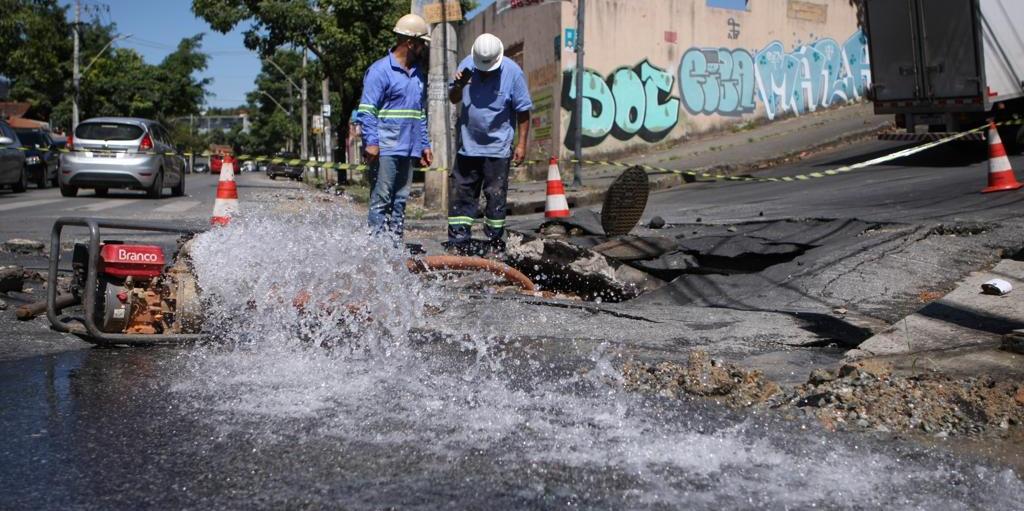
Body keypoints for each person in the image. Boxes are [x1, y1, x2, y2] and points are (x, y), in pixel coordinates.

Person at [447, 33, 532, 255]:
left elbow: (523, 111)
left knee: (495, 196)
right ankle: (458, 241)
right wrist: (458, 85)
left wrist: (522, 144)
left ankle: (494, 242)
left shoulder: (513, 73)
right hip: (468, 146)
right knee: (462, 194)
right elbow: (453, 98)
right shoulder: (466, 66)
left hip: (498, 148)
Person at [357, 13, 433, 240]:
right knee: (382, 199)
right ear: (410, 42)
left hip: (407, 148)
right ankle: (376, 248)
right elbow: (367, 110)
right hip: (385, 147)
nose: (423, 48)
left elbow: (419, 113)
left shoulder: (419, 74)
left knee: (400, 201)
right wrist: (371, 143)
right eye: (421, 43)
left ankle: (394, 245)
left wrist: (424, 144)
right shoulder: (380, 71)